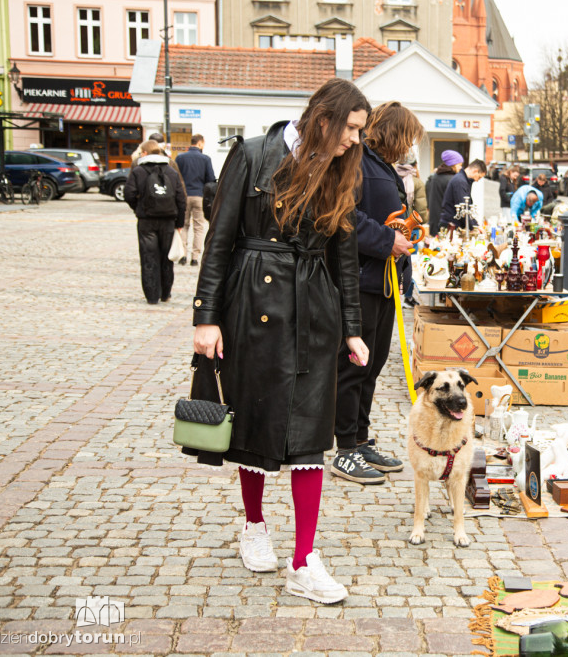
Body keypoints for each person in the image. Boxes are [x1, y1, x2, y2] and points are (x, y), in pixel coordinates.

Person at [189, 78, 372, 604]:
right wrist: (207, 315)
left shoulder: (342, 170)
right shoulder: (250, 154)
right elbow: (219, 240)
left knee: (310, 433)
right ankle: (254, 525)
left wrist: (353, 328)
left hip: (315, 308)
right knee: (257, 420)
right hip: (253, 300)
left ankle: (304, 560)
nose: (355, 141)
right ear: (324, 120)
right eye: (351, 129)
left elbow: (344, 254)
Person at [333, 101, 424, 484]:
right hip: (361, 282)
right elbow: (346, 218)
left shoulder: (379, 165)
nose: (409, 148)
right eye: (408, 139)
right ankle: (345, 450)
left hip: (382, 282)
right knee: (354, 366)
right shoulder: (357, 165)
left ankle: (359, 437)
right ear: (395, 134)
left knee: (372, 365)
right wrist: (389, 239)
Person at [123, 139, 187, 305]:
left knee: (148, 257)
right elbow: (181, 199)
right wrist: (179, 222)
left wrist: (138, 208)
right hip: (168, 221)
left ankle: (152, 296)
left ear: (144, 153)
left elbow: (128, 194)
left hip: (146, 221)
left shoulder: (138, 171)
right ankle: (166, 294)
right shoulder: (171, 171)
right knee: (167, 258)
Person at [175, 134, 217, 267]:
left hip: (183, 196)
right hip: (199, 196)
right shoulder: (205, 159)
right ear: (200, 143)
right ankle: (195, 257)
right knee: (199, 227)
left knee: (184, 225)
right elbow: (210, 179)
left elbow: (176, 177)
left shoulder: (180, 158)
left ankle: (182, 255)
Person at [394, 154, 426, 306]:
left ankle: (392, 291)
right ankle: (408, 296)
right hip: (411, 228)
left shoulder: (392, 177)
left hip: (394, 226)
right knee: (410, 263)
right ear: (414, 165)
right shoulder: (416, 182)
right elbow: (421, 210)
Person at [439, 159, 487, 230]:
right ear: (475, 171)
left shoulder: (462, 180)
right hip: (451, 225)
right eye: (479, 177)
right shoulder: (460, 182)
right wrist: (474, 227)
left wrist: (475, 224)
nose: (477, 180)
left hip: (452, 223)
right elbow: (463, 209)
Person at [425, 150, 462, 234]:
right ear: (453, 164)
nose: (460, 168)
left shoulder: (435, 177)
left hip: (434, 219)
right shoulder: (452, 180)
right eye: (459, 165)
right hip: (446, 222)